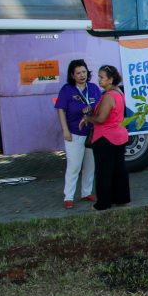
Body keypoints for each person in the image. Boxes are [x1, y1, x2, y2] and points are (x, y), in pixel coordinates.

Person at [80, 65, 129, 211]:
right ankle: (121, 198)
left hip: (105, 137)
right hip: (119, 135)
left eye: (102, 77)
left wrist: (88, 118)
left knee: (103, 172)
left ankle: (103, 203)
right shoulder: (119, 92)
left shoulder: (108, 96)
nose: (99, 80)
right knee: (118, 169)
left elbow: (101, 119)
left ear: (111, 79)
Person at [54, 59, 101, 209]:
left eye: (84, 72)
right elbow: (60, 109)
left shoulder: (93, 88)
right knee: (74, 165)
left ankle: (86, 192)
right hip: (74, 133)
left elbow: (100, 108)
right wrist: (65, 130)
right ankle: (68, 196)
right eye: (78, 73)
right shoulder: (67, 90)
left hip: (92, 133)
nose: (82, 75)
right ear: (72, 75)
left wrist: (90, 110)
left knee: (90, 164)